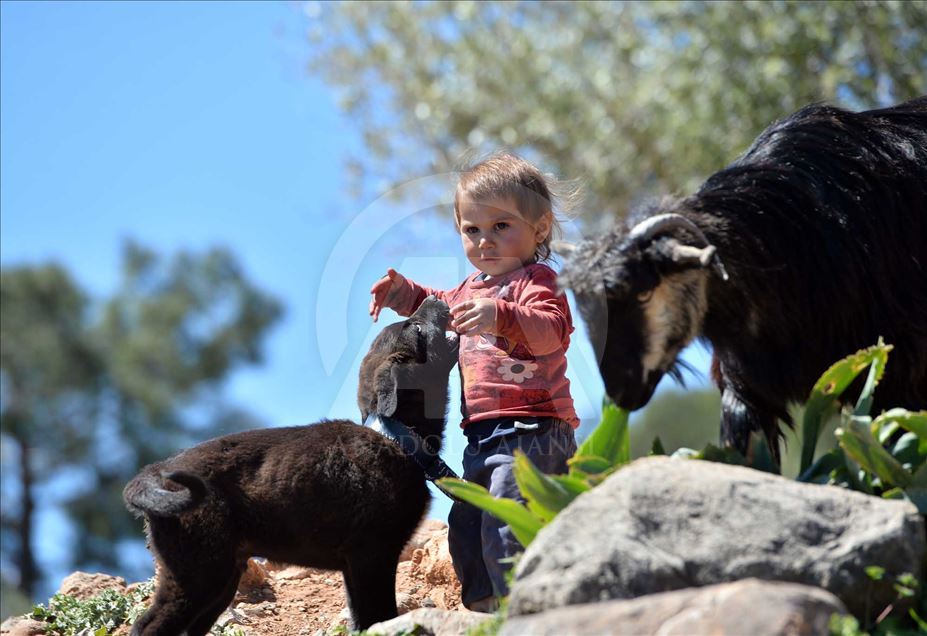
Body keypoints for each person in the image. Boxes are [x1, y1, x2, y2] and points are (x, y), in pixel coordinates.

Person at [368, 151, 579, 612]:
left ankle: (525, 609)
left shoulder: (537, 280)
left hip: (536, 432)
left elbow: (550, 331)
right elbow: (434, 303)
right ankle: (483, 610)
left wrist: (501, 315)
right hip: (481, 436)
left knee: (509, 518)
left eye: (501, 226)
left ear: (539, 229)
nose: (485, 241)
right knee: (468, 523)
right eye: (472, 230)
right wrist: (403, 293)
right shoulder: (469, 290)